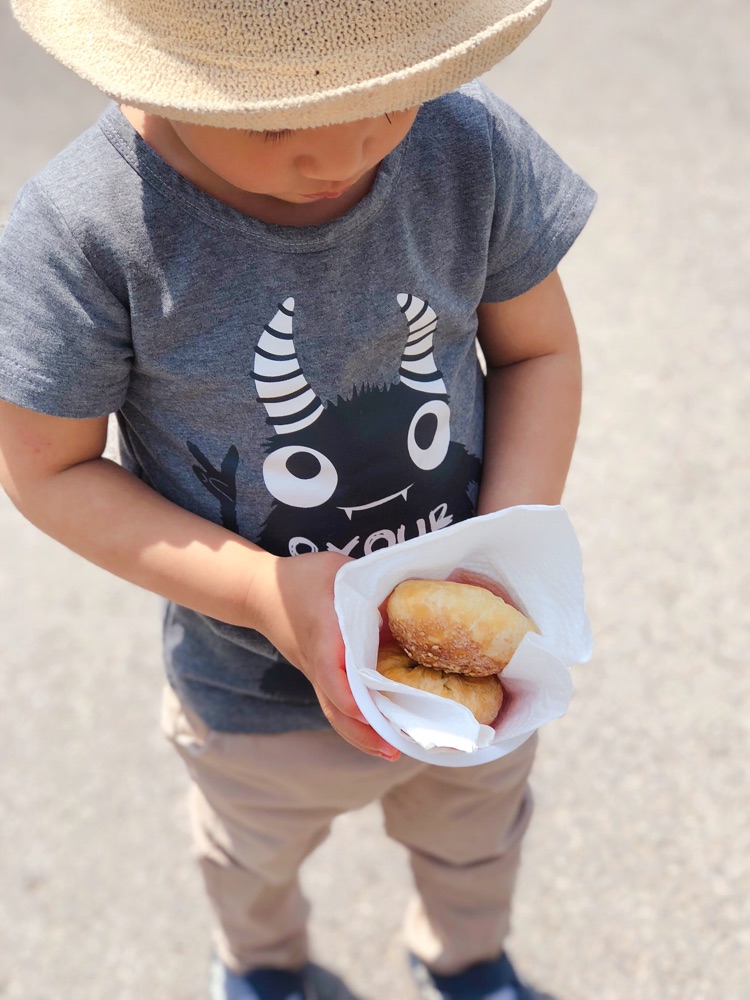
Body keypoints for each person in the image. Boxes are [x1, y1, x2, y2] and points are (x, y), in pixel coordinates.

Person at [0, 2, 596, 998]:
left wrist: (500, 554)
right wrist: (262, 595)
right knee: (250, 860)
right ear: (150, 66)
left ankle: (464, 954)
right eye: (271, 121)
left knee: (477, 838)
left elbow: (539, 348)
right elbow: (47, 468)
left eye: (380, 100)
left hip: (472, 667)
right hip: (249, 689)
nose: (336, 153)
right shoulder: (86, 233)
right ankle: (263, 966)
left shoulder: (464, 142)